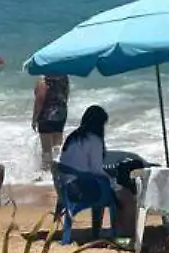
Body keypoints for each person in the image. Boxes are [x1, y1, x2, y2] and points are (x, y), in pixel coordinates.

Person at [58, 106, 136, 239]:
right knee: (122, 192)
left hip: (67, 186)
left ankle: (98, 231)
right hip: (82, 189)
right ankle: (124, 231)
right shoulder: (94, 140)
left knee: (109, 185)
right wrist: (113, 179)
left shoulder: (73, 137)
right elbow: (96, 170)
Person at [33, 74, 70, 167]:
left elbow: (40, 99)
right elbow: (66, 95)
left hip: (46, 115)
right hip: (61, 114)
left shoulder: (43, 80)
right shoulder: (64, 78)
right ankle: (58, 169)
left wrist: (34, 118)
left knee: (46, 150)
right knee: (57, 147)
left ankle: (45, 172)